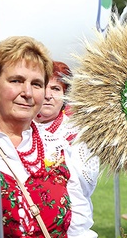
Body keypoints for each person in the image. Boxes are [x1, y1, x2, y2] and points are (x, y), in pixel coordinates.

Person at [0, 36, 94, 237]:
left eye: (37, 84)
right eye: (16, 80)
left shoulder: (56, 146)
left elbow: (79, 229)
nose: (27, 92)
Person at [34, 61, 99, 236]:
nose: (48, 95)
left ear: (65, 96)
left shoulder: (78, 134)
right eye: (42, 86)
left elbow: (85, 187)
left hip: (71, 227)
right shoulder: (19, 130)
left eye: (56, 88)